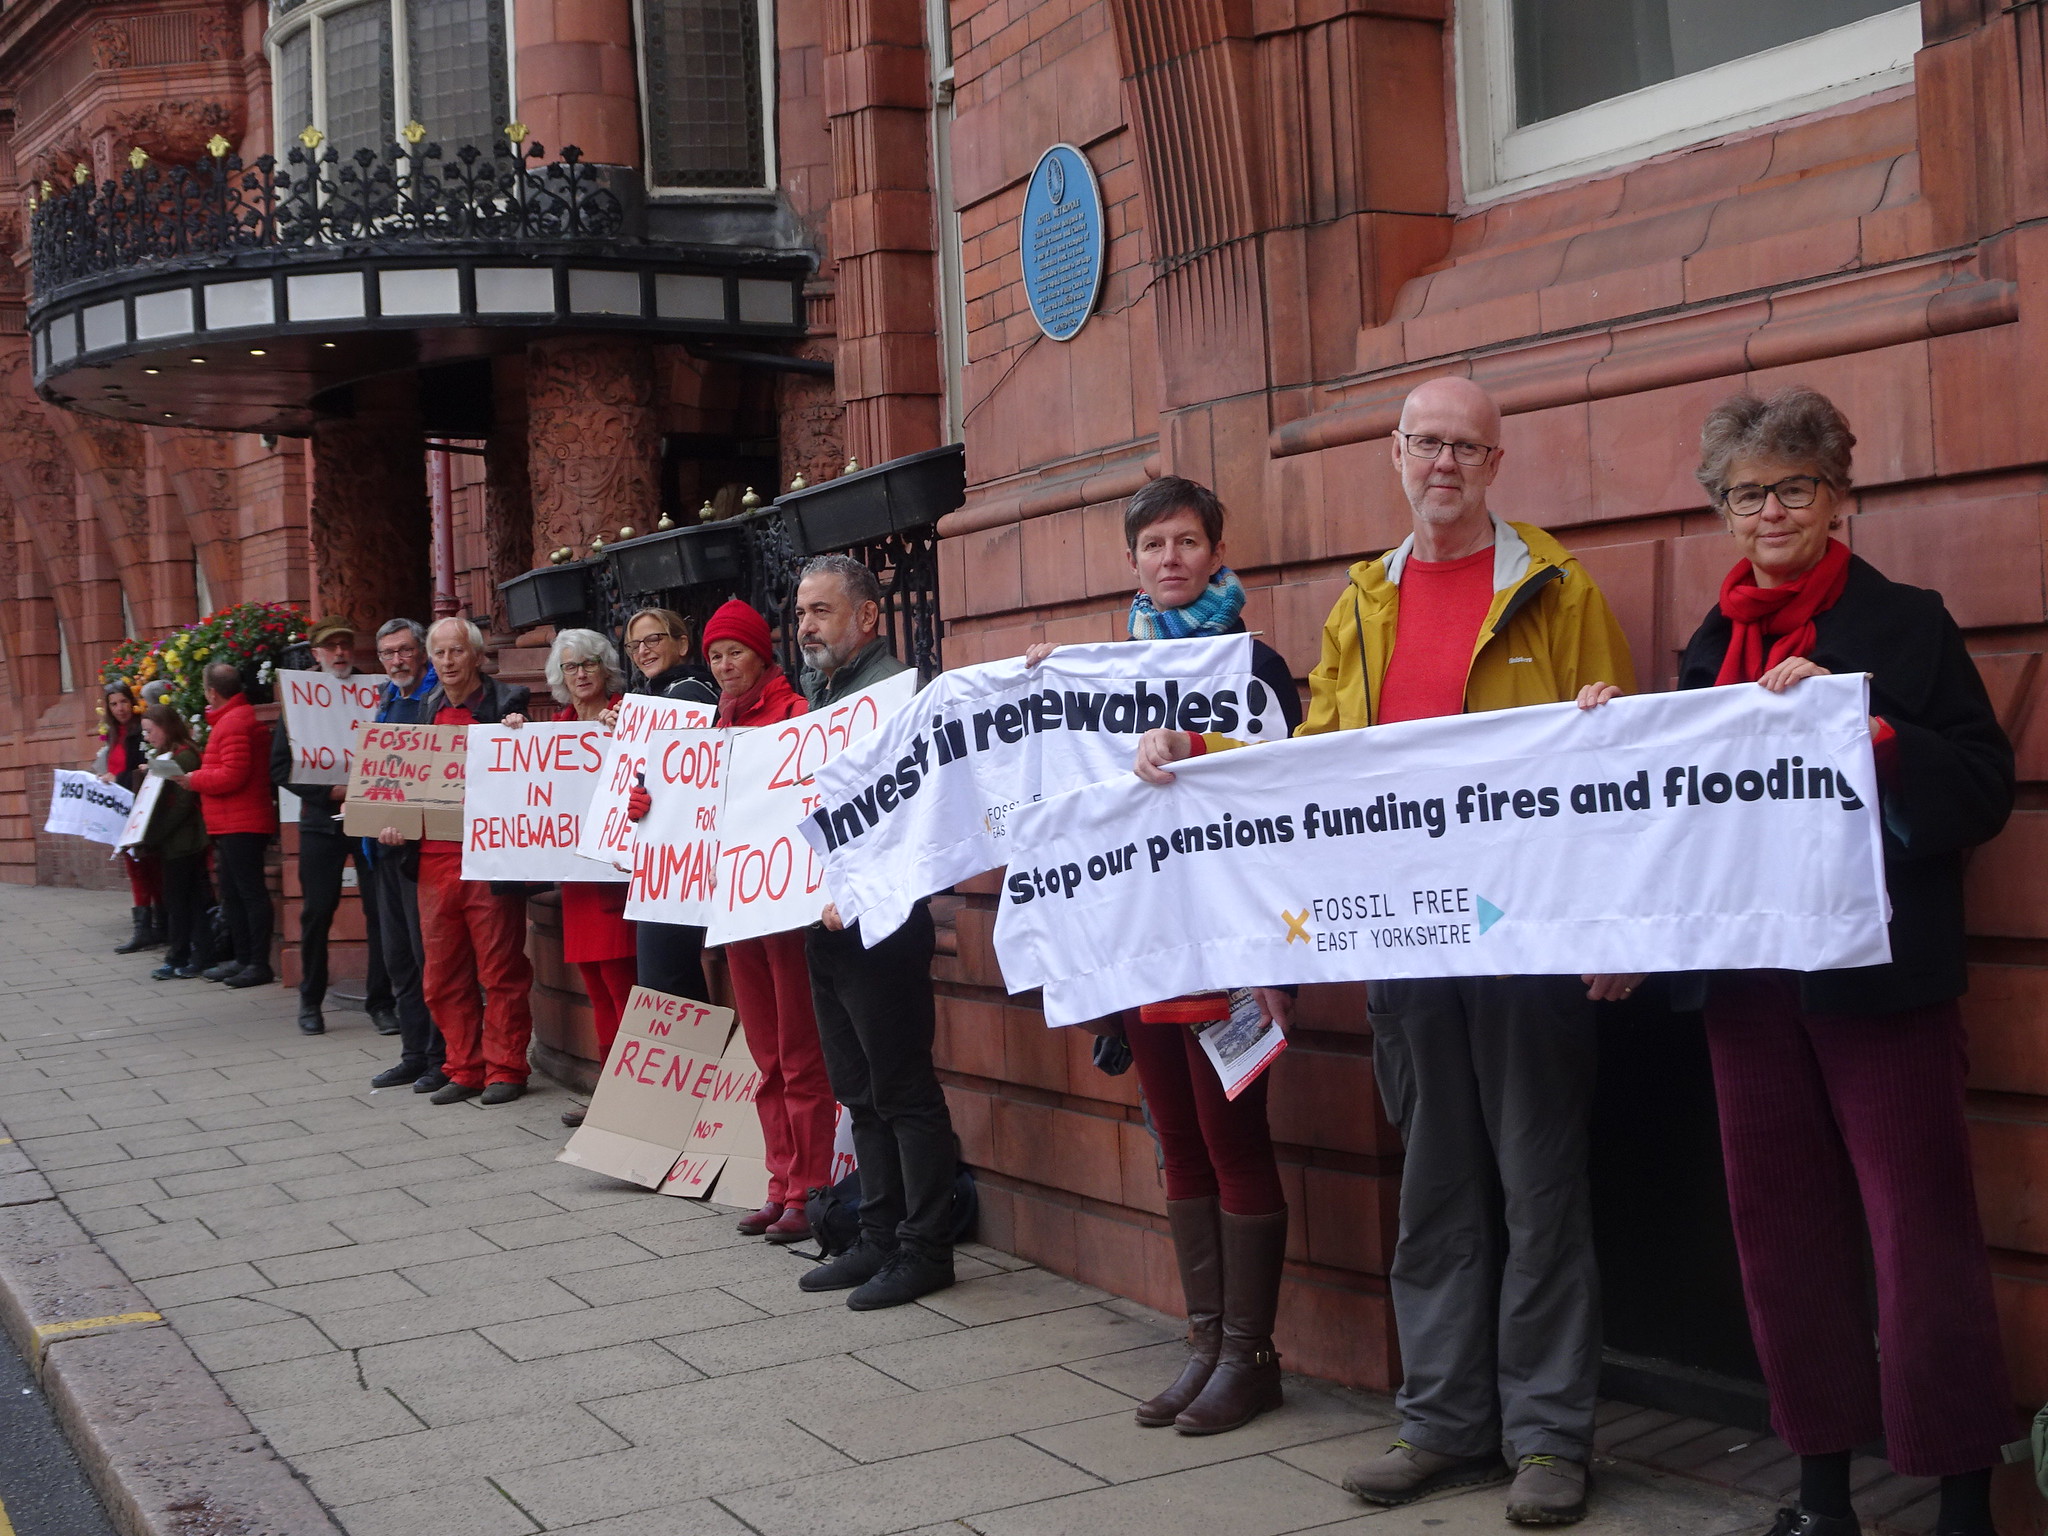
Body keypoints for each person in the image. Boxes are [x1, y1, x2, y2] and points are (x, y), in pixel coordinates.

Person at [1136, 378, 1636, 1523]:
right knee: (1437, 1191)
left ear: (1494, 463)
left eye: (1465, 445)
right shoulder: (1364, 601)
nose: (1442, 463)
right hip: (1407, 945)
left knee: (1539, 1189)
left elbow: (1615, 774)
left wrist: (1611, 919)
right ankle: (1444, 1426)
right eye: (1424, 444)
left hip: (1524, 942)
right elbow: (1312, 762)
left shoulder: (1557, 590)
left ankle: (1551, 1439)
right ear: (1395, 458)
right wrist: (1199, 750)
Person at [1587, 387, 2014, 1536]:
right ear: (1721, 513)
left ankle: (1958, 1495)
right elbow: (1672, 815)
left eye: (1790, 488)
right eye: (1742, 495)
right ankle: (1820, 1493)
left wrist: (1868, 730)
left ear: (1838, 498)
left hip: (1879, 986)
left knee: (1916, 1239)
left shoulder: (1904, 624)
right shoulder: (1705, 648)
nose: (1766, 512)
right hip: (1747, 989)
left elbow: (1979, 790)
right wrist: (1608, 736)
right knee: (1779, 1241)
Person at [1022, 477, 1301, 1435]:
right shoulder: (1100, 671)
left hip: (1226, 945)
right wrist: (1038, 692)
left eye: (1188, 542)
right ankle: (1204, 1343)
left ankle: (1250, 1356)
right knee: (1176, 1141)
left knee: (1234, 1141)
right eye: (1154, 546)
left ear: (1216, 554)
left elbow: (1288, 789)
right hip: (1139, 945)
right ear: (1133, 561)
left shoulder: (1252, 662)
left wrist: (1198, 740)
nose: (1171, 559)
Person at [789, 556, 958, 1310]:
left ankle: (926, 1248)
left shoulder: (898, 698)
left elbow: (915, 814)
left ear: (866, 618)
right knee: (859, 1092)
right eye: (801, 613)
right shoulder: (817, 699)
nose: (806, 627)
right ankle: (879, 1236)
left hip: (881, 928)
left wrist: (856, 889)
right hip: (820, 924)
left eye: (821, 611)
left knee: (902, 1090)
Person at [702, 598, 835, 1242]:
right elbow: (685, 803)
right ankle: (780, 1181)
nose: (726, 665)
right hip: (735, 909)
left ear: (762, 654)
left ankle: (810, 1188)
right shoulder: (711, 726)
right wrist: (649, 800)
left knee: (798, 1051)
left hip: (783, 911)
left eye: (736, 652)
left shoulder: (795, 715)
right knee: (764, 1054)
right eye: (717, 655)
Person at [378, 617, 533, 1106]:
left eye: (456, 652)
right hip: (433, 862)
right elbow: (403, 784)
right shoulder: (423, 708)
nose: (447, 662)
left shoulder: (508, 704)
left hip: (487, 858)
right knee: (442, 974)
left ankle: (506, 1067)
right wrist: (392, 826)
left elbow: (533, 773)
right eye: (439, 653)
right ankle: (463, 1066)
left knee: (499, 969)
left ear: (477, 655)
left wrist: (520, 736)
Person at [500, 629, 638, 1129]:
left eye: (589, 665)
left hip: (614, 875)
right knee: (599, 991)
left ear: (606, 669)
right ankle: (608, 1096)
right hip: (577, 881)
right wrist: (512, 734)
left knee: (624, 990)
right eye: (570, 668)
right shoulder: (556, 728)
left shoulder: (627, 713)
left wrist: (625, 730)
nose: (580, 674)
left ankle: (630, 1099)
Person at [271, 617, 396, 1038]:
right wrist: (329, 793)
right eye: (331, 647)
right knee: (316, 912)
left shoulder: (377, 693)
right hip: (320, 824)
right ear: (316, 654)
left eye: (345, 644)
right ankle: (311, 1001)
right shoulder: (298, 701)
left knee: (379, 912)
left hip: (368, 819)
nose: (340, 652)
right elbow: (280, 766)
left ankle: (382, 1002)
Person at [611, 607, 721, 1002]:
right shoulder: (653, 699)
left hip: (680, 861)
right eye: (634, 645)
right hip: (667, 859)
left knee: (667, 983)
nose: (643, 650)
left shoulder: (689, 693)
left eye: (653, 639)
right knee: (670, 980)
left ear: (682, 643)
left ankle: (695, 1060)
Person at [155, 662, 278, 989]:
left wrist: (193, 779)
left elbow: (233, 775)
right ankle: (242, 959)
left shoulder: (236, 722)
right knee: (234, 894)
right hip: (232, 822)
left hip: (243, 822)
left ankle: (256, 962)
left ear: (212, 691)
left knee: (248, 893)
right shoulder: (233, 719)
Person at [364, 619, 448, 1094]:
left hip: (423, 848)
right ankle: (414, 1053)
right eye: (388, 653)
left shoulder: (435, 700)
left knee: (428, 958)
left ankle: (440, 1056)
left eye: (405, 651)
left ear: (421, 653)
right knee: (399, 959)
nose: (397, 660)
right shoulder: (386, 698)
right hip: (384, 847)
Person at [136, 704, 214, 981]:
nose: (147, 737)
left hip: (185, 842)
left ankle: (184, 956)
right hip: (177, 842)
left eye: (150, 730)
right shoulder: (173, 755)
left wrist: (153, 836)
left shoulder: (185, 755)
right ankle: (191, 955)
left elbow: (181, 805)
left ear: (165, 727)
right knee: (184, 900)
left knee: (184, 902)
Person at [97, 681, 164, 954]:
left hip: (141, 808)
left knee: (148, 866)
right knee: (135, 868)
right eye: (113, 704)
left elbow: (141, 771)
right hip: (122, 810)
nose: (120, 708)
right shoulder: (114, 735)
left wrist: (116, 779)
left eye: (123, 702)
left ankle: (156, 925)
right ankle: (145, 927)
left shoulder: (140, 733)